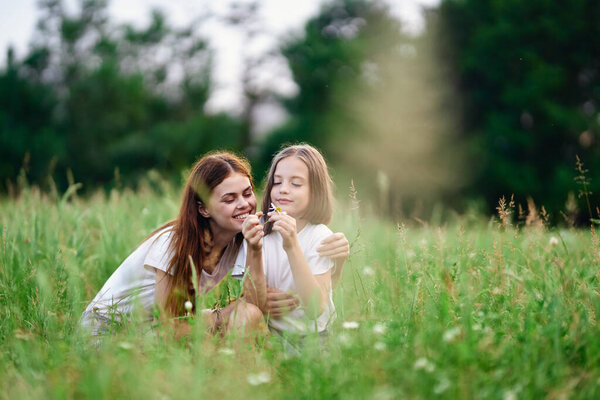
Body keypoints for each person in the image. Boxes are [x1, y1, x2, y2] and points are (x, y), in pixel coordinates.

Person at [80, 151, 347, 338]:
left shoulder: (240, 238)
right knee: (228, 324)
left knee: (244, 317)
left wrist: (340, 256)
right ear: (203, 209)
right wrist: (223, 315)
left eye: (246, 193)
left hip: (155, 327)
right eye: (229, 199)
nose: (243, 204)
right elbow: (169, 327)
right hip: (110, 330)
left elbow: (254, 307)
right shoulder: (174, 243)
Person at [237, 144, 343, 335]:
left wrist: (292, 246)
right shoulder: (257, 229)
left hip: (312, 338)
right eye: (277, 182)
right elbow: (250, 303)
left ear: (315, 192)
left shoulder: (319, 236)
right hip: (268, 333)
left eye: (296, 184)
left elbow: (314, 308)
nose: (283, 189)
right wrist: (253, 247)